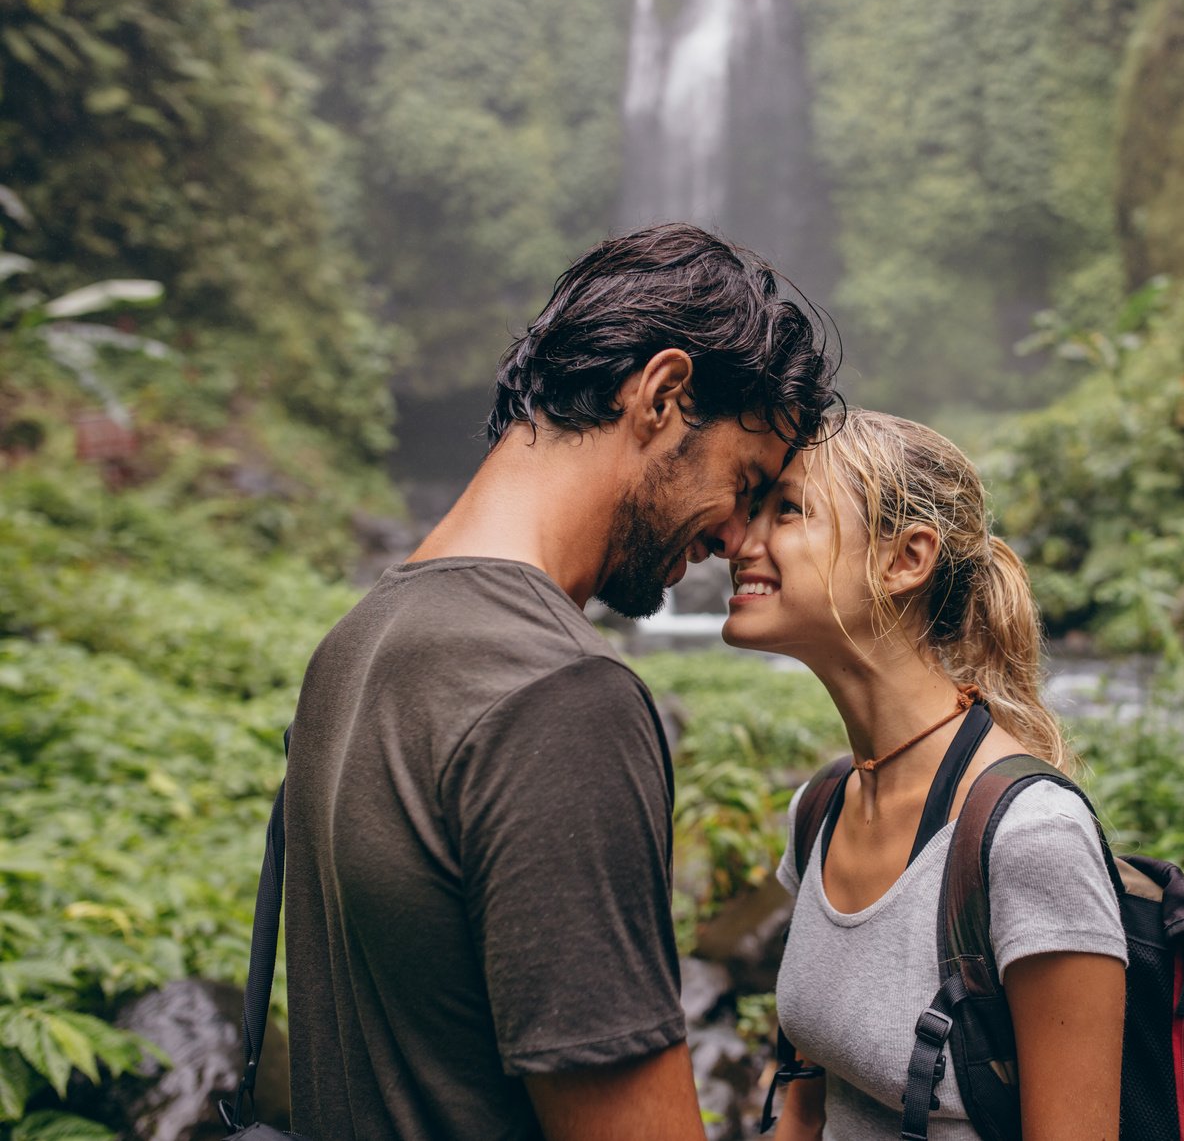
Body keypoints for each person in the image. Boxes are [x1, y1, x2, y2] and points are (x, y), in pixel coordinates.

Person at [282, 223, 840, 1141]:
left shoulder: (353, 644)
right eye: (745, 482)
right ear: (661, 395)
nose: (739, 539)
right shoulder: (560, 698)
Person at [723, 410, 1127, 1140]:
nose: (738, 540)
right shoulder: (820, 809)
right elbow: (805, 1112)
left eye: (786, 509)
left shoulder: (1030, 836)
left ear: (906, 559)